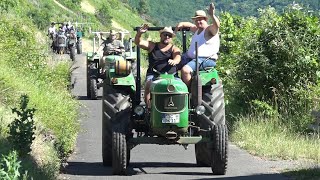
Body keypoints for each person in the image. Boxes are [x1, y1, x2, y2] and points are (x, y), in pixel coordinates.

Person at [134, 25, 181, 108]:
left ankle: (180, 108)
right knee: (149, 85)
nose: (167, 37)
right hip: (154, 74)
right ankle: (149, 108)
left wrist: (174, 61)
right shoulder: (152, 46)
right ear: (161, 35)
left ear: (171, 38)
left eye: (169, 35)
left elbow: (178, 57)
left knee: (181, 87)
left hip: (172, 76)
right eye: (165, 34)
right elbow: (139, 42)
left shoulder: (174, 48)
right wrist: (139, 34)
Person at [175, 3, 220, 87]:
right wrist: (181, 24)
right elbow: (189, 25)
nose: (198, 21)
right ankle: (173, 87)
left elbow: (216, 26)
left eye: (200, 19)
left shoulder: (209, 30)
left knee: (185, 70)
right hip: (191, 58)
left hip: (205, 60)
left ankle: (188, 93)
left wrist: (212, 15)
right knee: (172, 65)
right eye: (196, 20)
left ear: (205, 20)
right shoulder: (197, 29)